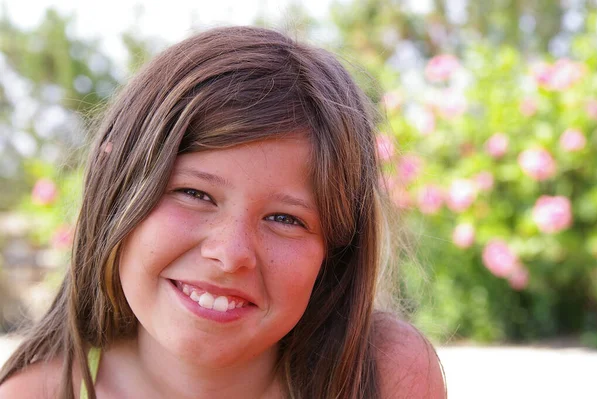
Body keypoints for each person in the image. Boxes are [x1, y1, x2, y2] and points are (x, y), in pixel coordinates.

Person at [0, 26, 445, 398]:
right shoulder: (36, 393)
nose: (231, 254)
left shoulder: (383, 376)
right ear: (115, 192)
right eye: (195, 193)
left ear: (334, 253)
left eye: (286, 219)